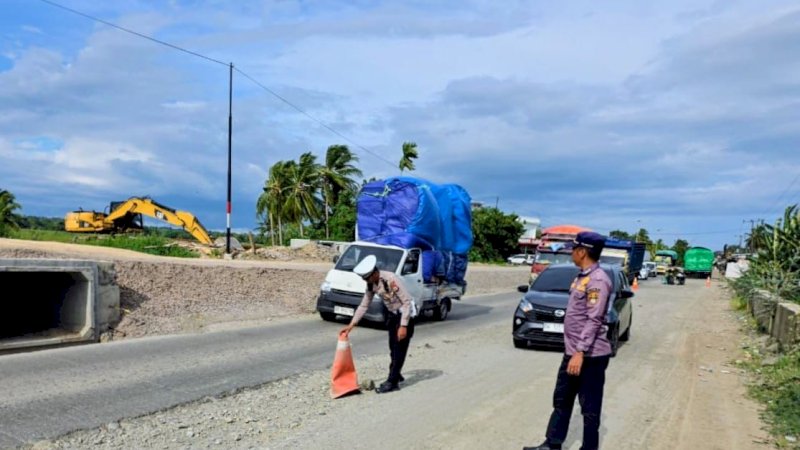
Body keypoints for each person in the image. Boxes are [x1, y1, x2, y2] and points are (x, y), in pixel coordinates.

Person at [524, 231, 613, 450]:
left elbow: (594, 319)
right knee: (562, 400)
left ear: (582, 252)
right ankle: (552, 444)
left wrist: (580, 352)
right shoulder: (581, 277)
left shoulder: (598, 280)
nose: (571, 253)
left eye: (573, 249)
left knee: (589, 406)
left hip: (590, 356)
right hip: (573, 352)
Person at [341, 254, 416, 394]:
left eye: (368, 278)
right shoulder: (371, 284)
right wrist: (352, 324)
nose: (367, 281)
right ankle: (396, 373)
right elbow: (364, 305)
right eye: (365, 279)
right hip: (392, 315)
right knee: (392, 348)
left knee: (399, 349)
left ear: (375, 273)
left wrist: (404, 326)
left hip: (405, 315)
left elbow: (406, 302)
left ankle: (392, 382)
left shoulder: (390, 279)